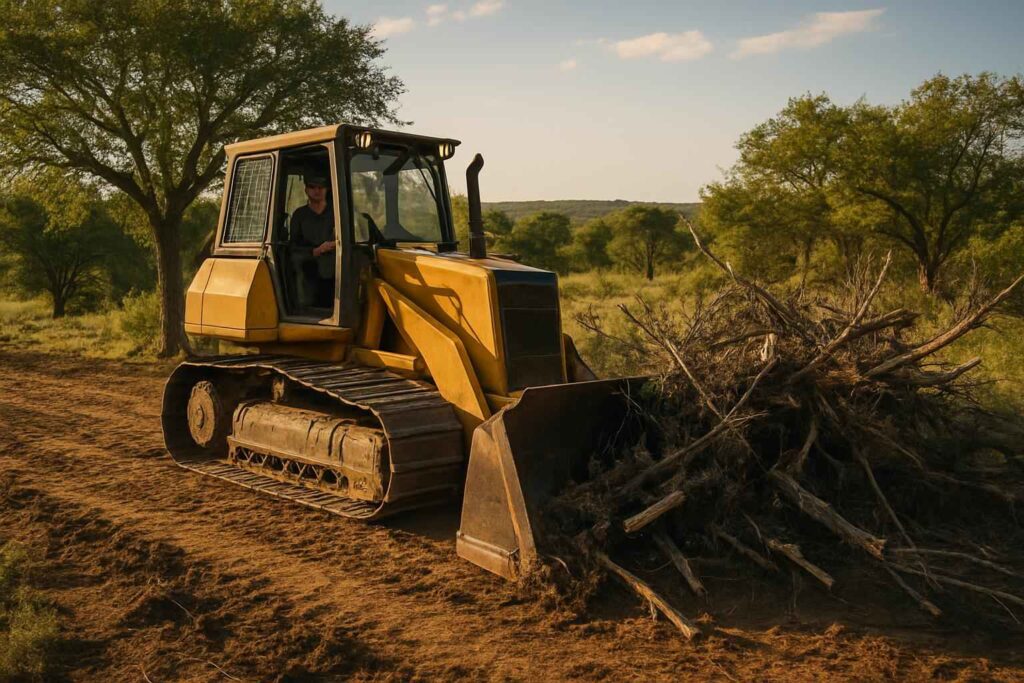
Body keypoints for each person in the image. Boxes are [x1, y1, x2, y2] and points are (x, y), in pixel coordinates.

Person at [290, 170, 336, 308]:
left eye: (321, 187)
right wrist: (316, 250)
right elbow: (293, 247)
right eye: (312, 187)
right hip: (309, 272)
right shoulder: (300, 215)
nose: (317, 190)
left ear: (326, 189)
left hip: (335, 271)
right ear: (306, 190)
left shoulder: (337, 213)